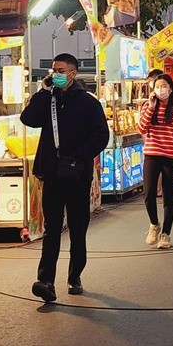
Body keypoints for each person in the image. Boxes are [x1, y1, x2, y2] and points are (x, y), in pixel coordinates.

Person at [20, 53, 110, 303]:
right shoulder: (49, 100)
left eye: (60, 70)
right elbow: (27, 119)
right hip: (52, 174)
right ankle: (45, 280)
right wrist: (42, 92)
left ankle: (75, 276)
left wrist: (79, 156)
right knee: (51, 228)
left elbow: (101, 136)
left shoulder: (89, 103)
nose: (54, 74)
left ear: (73, 73)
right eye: (53, 70)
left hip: (77, 174)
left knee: (78, 228)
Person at [138, 74, 173, 248]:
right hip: (152, 154)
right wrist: (151, 107)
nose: (161, 89)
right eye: (157, 86)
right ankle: (154, 224)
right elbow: (141, 128)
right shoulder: (148, 106)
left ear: (171, 88)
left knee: (169, 197)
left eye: (164, 86)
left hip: (171, 157)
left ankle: (166, 234)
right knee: (148, 193)